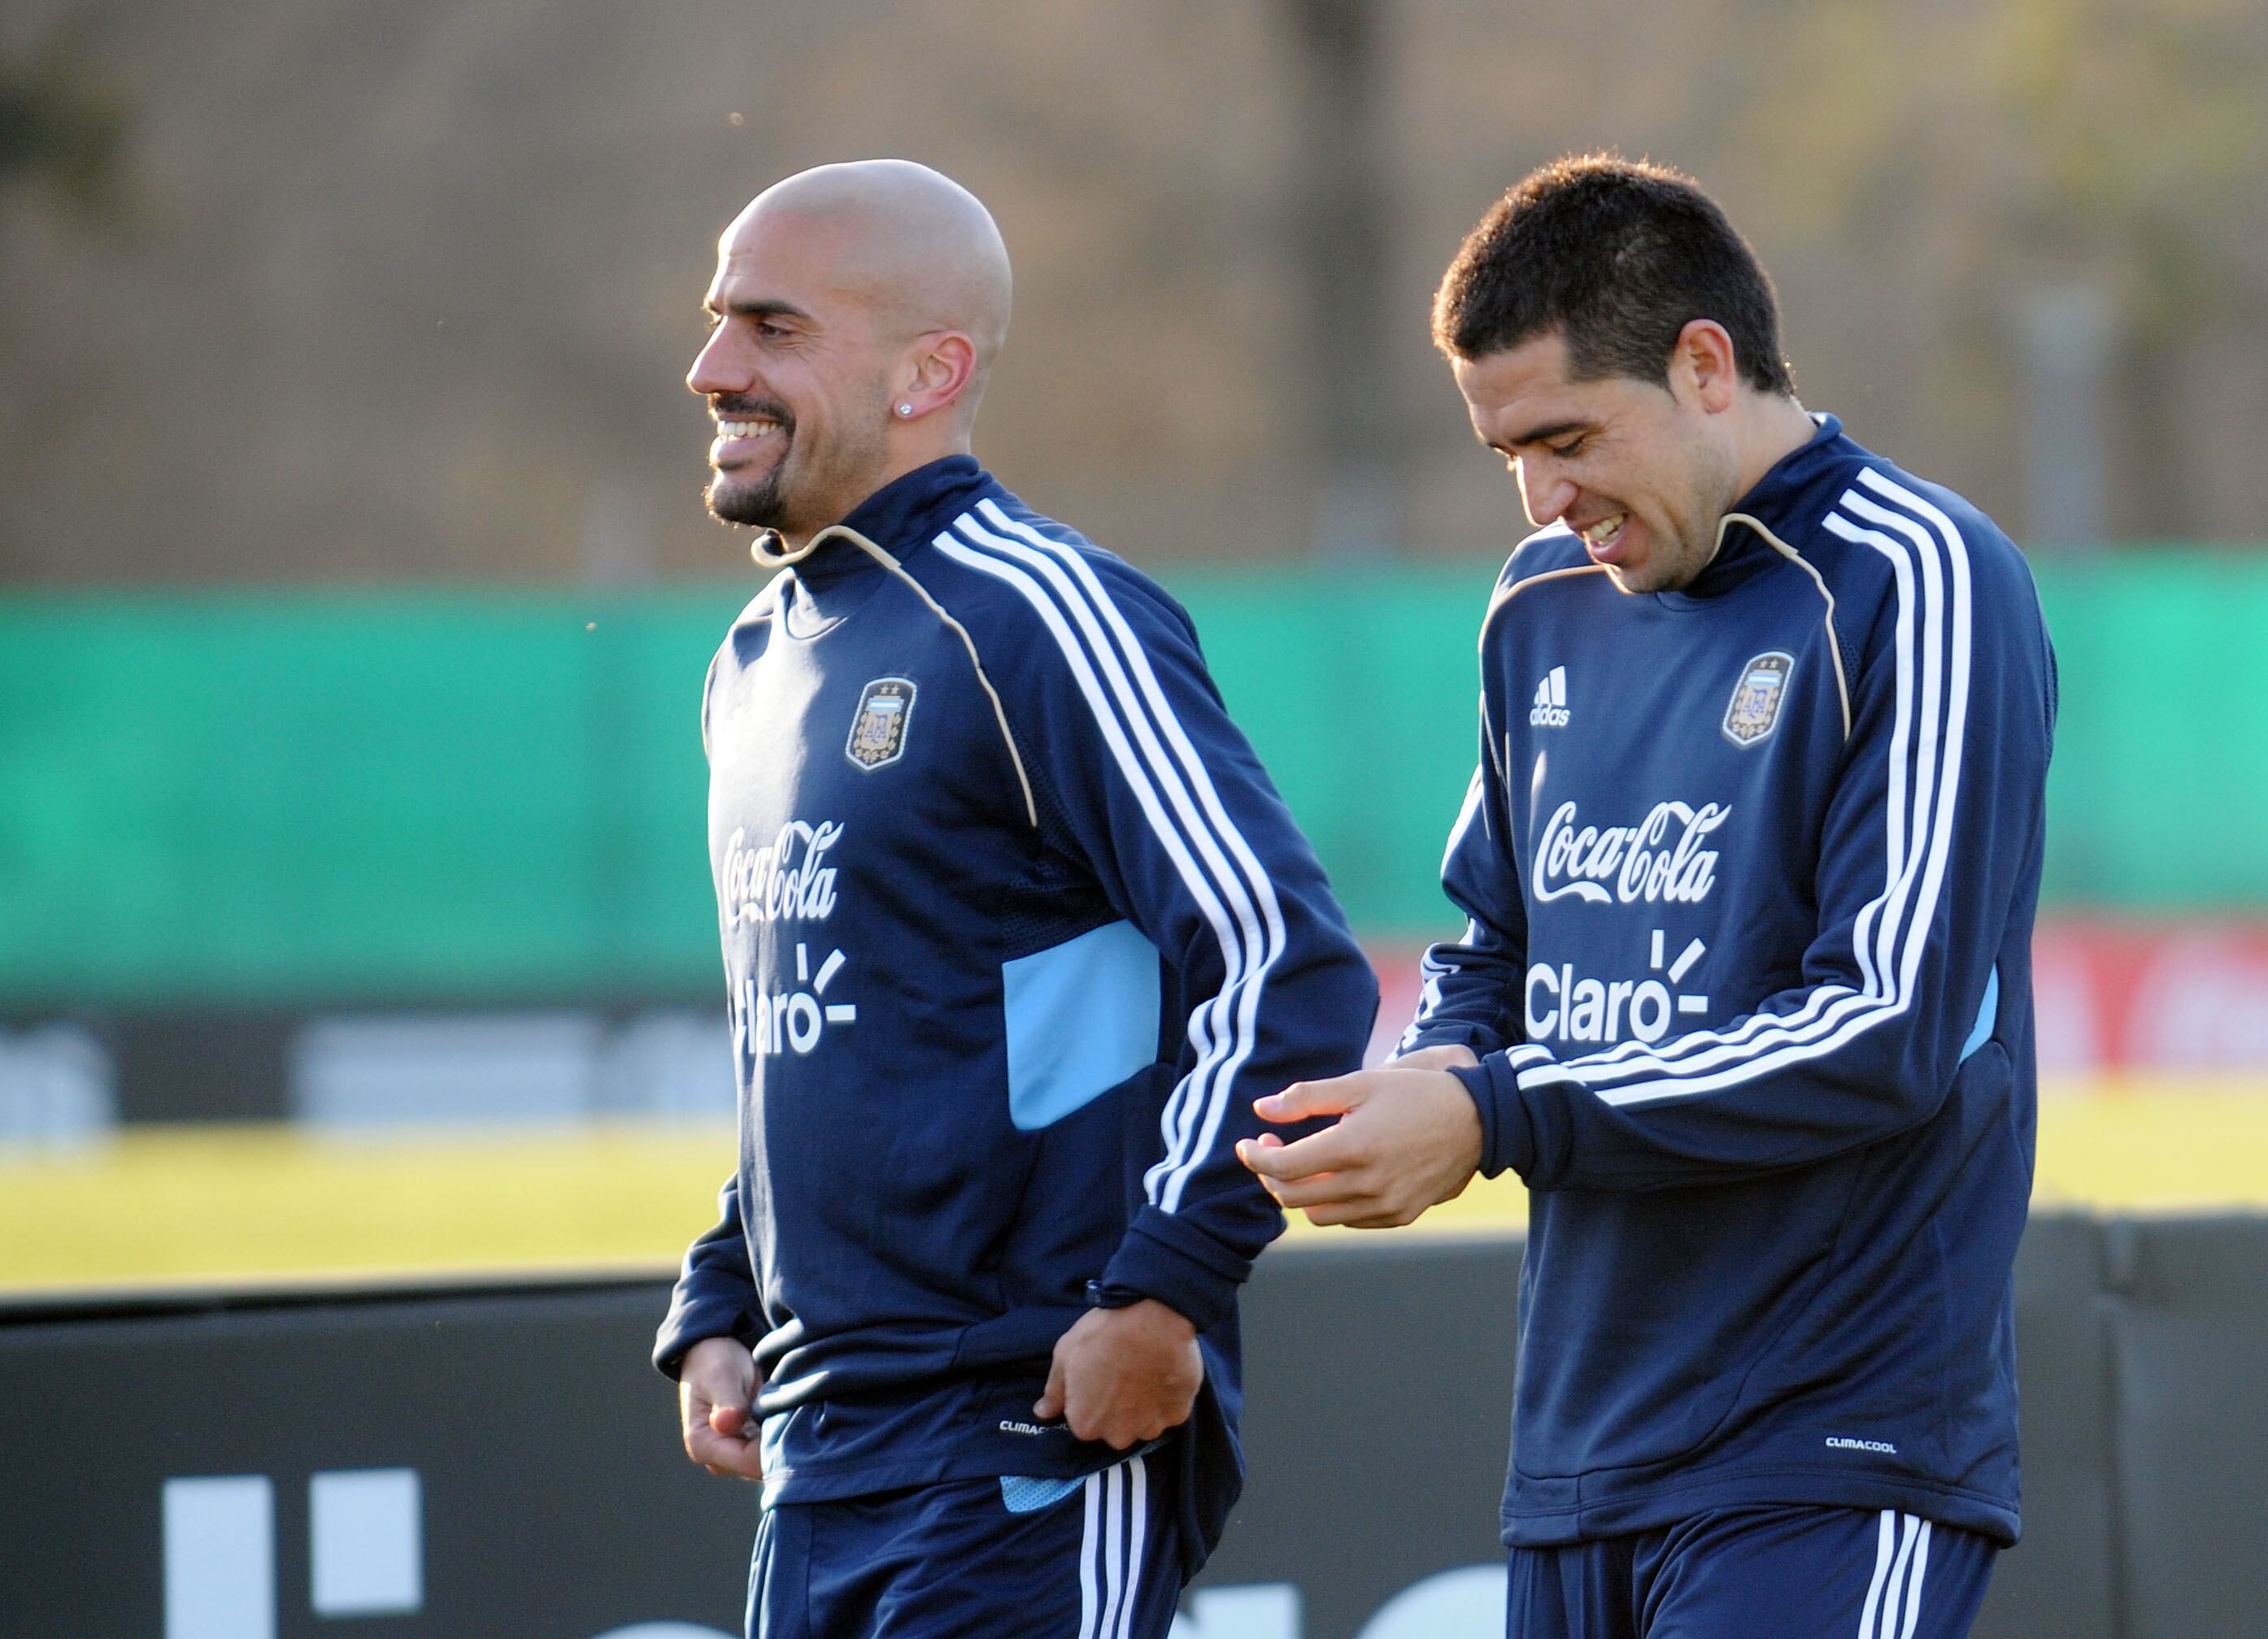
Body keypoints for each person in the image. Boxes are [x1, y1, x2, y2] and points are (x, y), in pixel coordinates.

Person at [1240, 154, 2055, 1639]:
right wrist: (1431, 1074)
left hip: (1829, 1444)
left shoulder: (1919, 576)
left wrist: (1492, 1115)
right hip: (1580, 1454)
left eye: (1565, 438)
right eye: (1506, 454)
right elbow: (1493, 942)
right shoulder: (1537, 602)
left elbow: (1883, 1030)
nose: (1543, 499)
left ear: (1703, 366)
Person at [653, 159, 1378, 1639]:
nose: (711, 367)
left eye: (772, 328)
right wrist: (722, 1293)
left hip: (1025, 1432)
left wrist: (1161, 1292)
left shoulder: (1040, 613)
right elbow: (827, 1040)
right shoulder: (752, 660)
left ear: (930, 372)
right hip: (818, 1448)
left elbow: (1281, 963)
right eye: (719, 320)